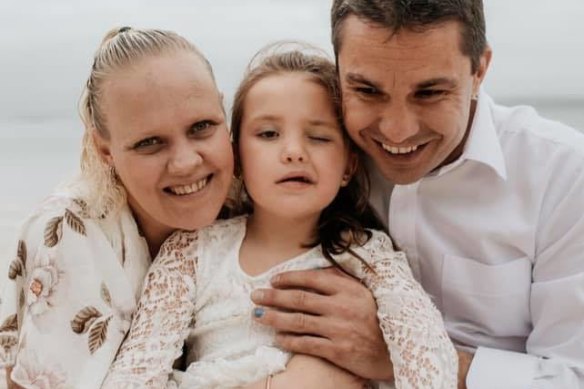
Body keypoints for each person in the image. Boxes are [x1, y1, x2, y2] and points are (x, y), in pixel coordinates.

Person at [251, 1, 584, 388]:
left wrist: (400, 353)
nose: (396, 131)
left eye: (429, 93)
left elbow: (573, 376)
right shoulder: (312, 159)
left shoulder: (565, 175)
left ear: (479, 70)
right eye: (367, 91)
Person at [102, 44, 458, 389]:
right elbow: (137, 372)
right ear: (236, 156)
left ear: (348, 165)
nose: (293, 152)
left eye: (318, 137)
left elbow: (426, 352)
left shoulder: (369, 255)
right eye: (268, 134)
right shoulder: (191, 253)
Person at [0, 26, 235, 388]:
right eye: (150, 143)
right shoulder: (70, 232)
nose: (186, 162)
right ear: (104, 149)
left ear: (223, 112)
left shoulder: (252, 208)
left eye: (202, 126)